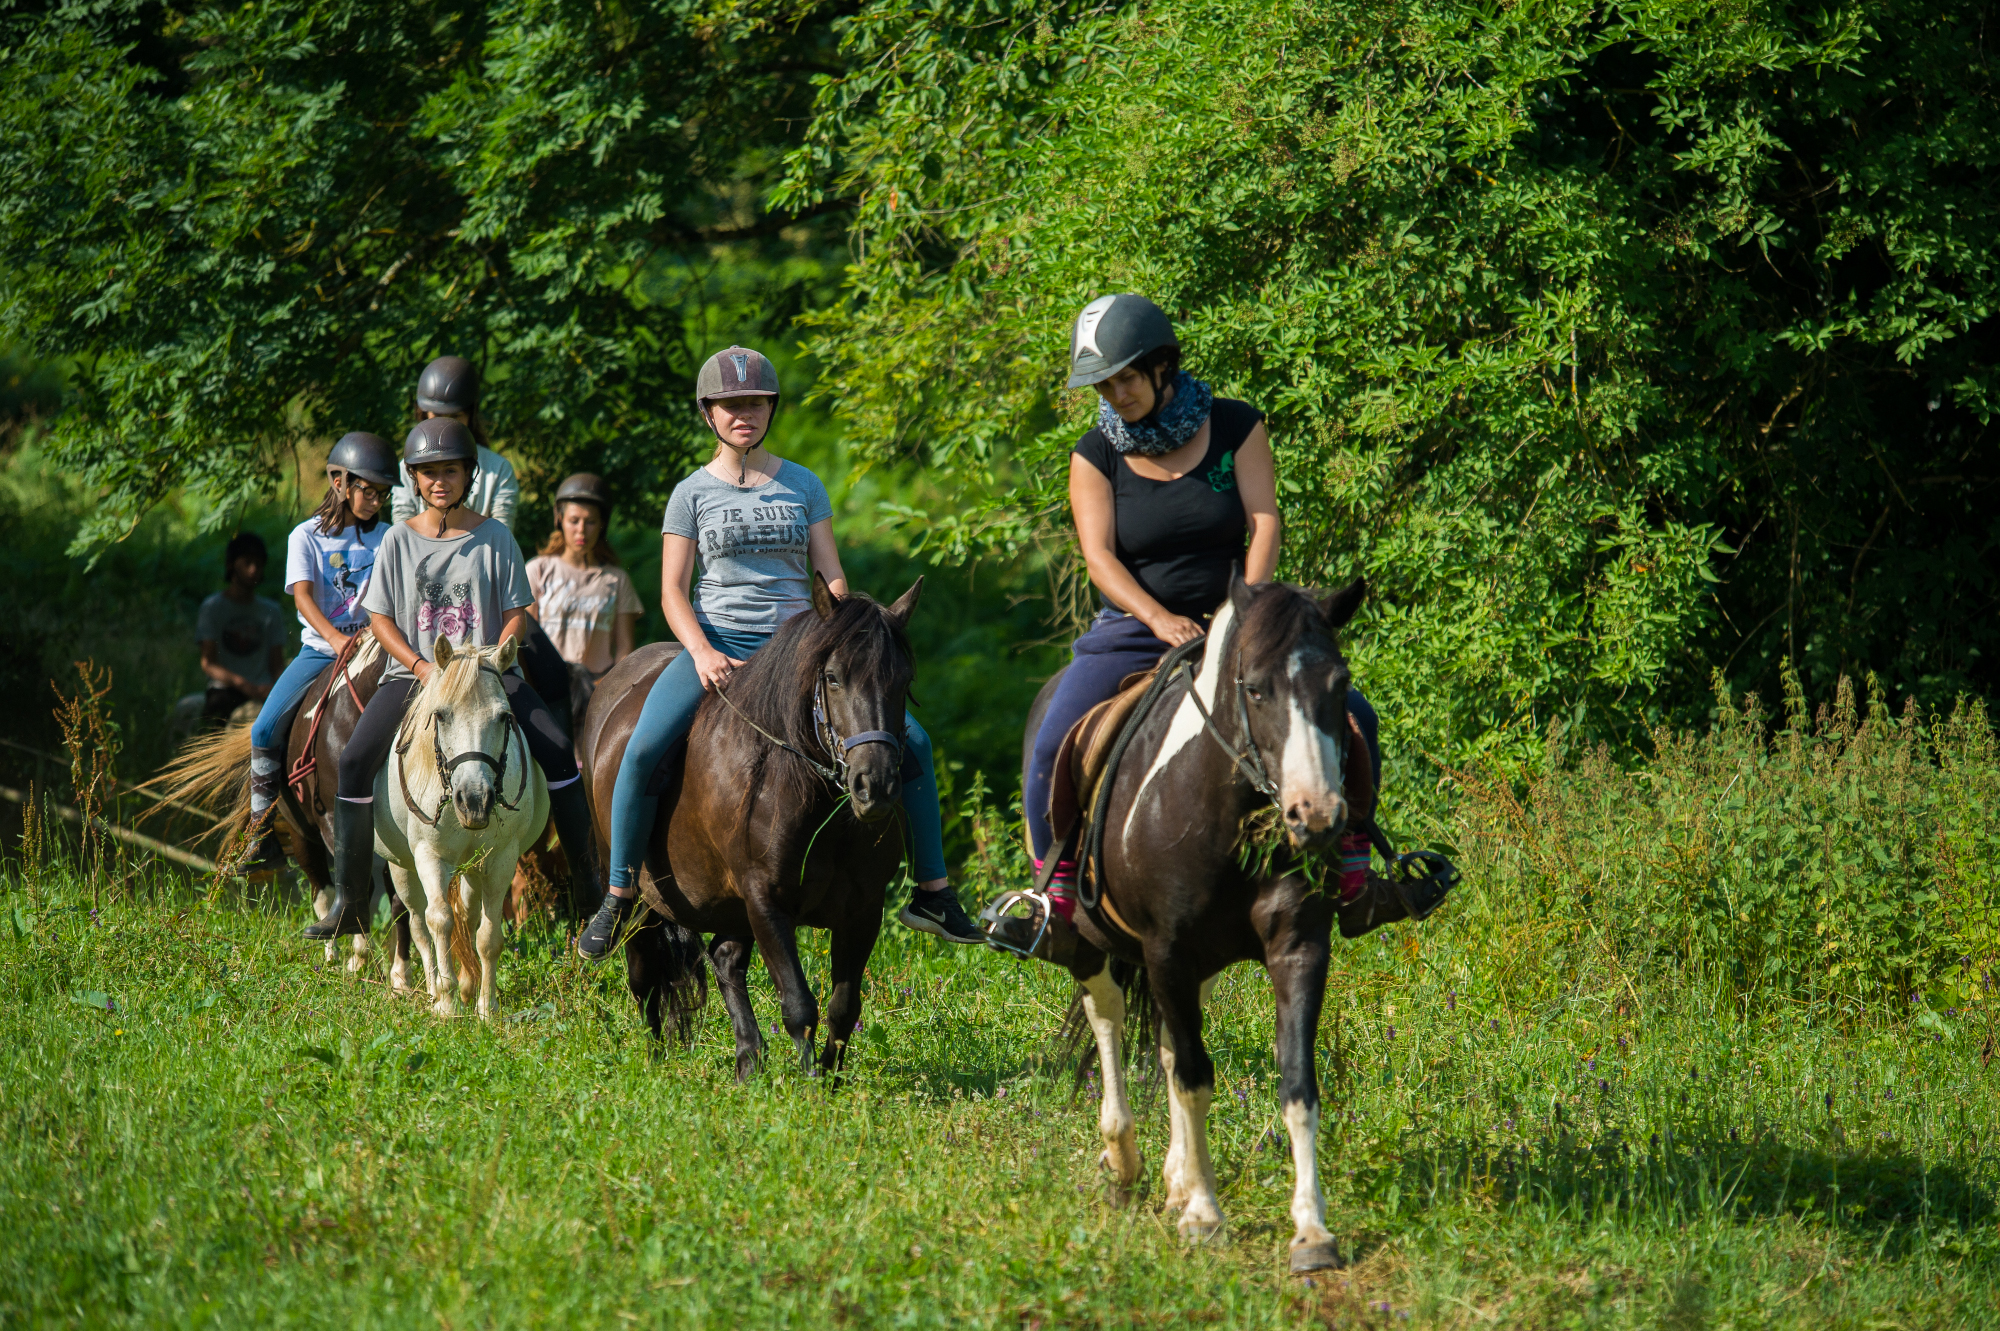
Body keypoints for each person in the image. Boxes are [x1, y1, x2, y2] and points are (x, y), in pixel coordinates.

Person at [988, 294, 1382, 958]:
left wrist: (1248, 610)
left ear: (1163, 366)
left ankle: (1359, 871)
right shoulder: (1093, 455)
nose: (1116, 394)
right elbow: (1100, 556)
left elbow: (1264, 521)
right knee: (1052, 741)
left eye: (1126, 378)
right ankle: (1049, 896)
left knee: (1354, 716)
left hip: (1244, 620)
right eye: (1104, 385)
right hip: (1137, 625)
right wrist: (1157, 616)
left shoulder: (1235, 427)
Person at [574, 345, 982, 960]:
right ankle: (619, 894)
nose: (745, 414)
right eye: (732, 405)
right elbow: (671, 592)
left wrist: (843, 632)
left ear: (771, 410)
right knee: (640, 748)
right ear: (709, 413)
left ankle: (934, 891)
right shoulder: (690, 495)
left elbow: (832, 579)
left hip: (798, 650)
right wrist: (703, 652)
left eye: (756, 404)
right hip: (721, 646)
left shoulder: (804, 484)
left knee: (913, 742)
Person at [303, 418, 602, 940]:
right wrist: (420, 667)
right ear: (414, 479)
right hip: (413, 675)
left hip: (484, 674)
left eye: (449, 470)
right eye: (427, 473)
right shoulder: (397, 540)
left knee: (558, 750)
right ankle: (351, 900)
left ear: (468, 474)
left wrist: (494, 657)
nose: (438, 481)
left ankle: (589, 890)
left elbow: (516, 613)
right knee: (352, 762)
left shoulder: (495, 537)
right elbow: (380, 620)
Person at [241, 432, 396, 873]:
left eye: (383, 493)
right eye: (368, 490)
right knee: (264, 728)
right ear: (339, 481)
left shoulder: (388, 537)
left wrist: (371, 634)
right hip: (321, 652)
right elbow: (304, 597)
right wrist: (334, 639)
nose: (376, 501)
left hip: (374, 649)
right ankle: (261, 829)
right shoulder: (304, 536)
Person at [387, 354, 572, 719]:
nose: (439, 423)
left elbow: (500, 529)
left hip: (484, 583)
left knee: (553, 673)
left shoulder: (497, 468)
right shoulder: (409, 465)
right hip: (420, 590)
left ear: (470, 414)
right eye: (430, 414)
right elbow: (403, 523)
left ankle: (567, 763)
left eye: (452, 416)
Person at [526, 473, 643, 681]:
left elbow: (625, 649)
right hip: (548, 683)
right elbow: (527, 639)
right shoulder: (537, 570)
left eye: (590, 522)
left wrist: (610, 689)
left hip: (598, 686)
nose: (581, 530)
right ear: (559, 520)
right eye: (574, 521)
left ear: (602, 525)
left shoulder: (617, 580)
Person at [196, 532, 289, 731]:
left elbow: (277, 665)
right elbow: (208, 663)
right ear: (231, 565)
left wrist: (278, 689)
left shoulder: (271, 611)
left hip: (263, 691)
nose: (253, 570)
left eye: (258, 564)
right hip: (224, 691)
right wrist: (244, 685)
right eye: (247, 562)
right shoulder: (212, 608)